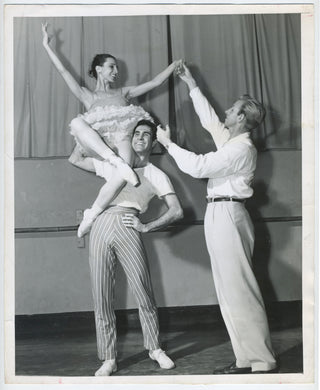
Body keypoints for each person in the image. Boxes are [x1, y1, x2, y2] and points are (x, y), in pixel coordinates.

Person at [156, 64, 278, 374]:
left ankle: (261, 360)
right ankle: (245, 359)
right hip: (220, 211)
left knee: (240, 289)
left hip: (229, 213)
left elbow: (198, 167)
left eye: (233, 108)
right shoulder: (233, 142)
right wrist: (191, 83)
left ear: (241, 118)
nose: (227, 109)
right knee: (228, 289)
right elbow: (210, 119)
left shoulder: (241, 149)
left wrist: (169, 144)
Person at [42, 22, 182, 237]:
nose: (116, 71)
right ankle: (115, 161)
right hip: (100, 145)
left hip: (122, 138)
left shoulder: (123, 93)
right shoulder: (88, 96)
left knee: (122, 174)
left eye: (116, 67)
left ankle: (92, 214)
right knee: (77, 123)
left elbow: (154, 82)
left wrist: (173, 66)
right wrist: (47, 46)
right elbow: (62, 71)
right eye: (111, 67)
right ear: (99, 69)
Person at [69, 119, 183, 376]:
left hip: (129, 224)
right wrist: (93, 129)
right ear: (130, 139)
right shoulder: (114, 165)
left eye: (146, 135)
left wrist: (147, 226)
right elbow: (75, 158)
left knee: (143, 291)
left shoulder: (156, 174)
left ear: (154, 142)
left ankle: (154, 349)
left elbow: (177, 211)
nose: (140, 137)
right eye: (136, 133)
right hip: (99, 225)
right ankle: (108, 358)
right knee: (102, 296)